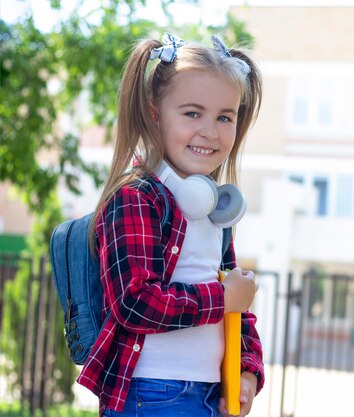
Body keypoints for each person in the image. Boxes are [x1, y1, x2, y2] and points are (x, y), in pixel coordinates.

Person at [78, 32, 264, 417]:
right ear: (153, 113)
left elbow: (236, 304)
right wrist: (222, 299)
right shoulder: (136, 199)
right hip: (153, 393)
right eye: (193, 113)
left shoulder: (215, 211)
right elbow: (134, 300)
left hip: (209, 390)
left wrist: (247, 372)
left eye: (224, 117)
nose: (210, 131)